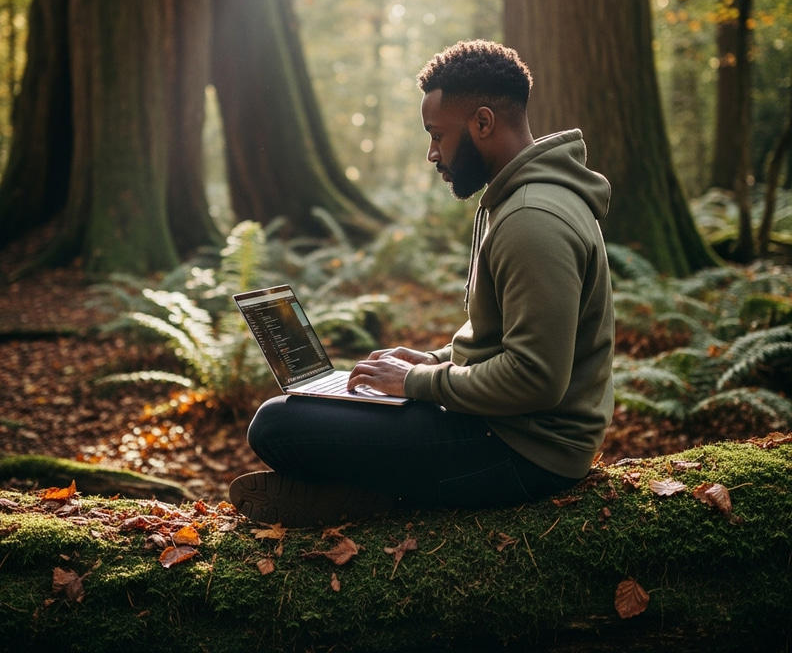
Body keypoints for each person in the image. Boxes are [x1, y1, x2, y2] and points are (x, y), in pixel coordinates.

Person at [229, 39, 614, 527]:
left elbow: (535, 378)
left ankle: (357, 496)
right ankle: (357, 490)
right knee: (308, 406)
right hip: (510, 429)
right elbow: (506, 341)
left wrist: (416, 383)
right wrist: (432, 361)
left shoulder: (532, 219)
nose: (432, 153)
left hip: (527, 453)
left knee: (278, 425)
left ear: (482, 123)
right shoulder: (519, 201)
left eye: (437, 135)